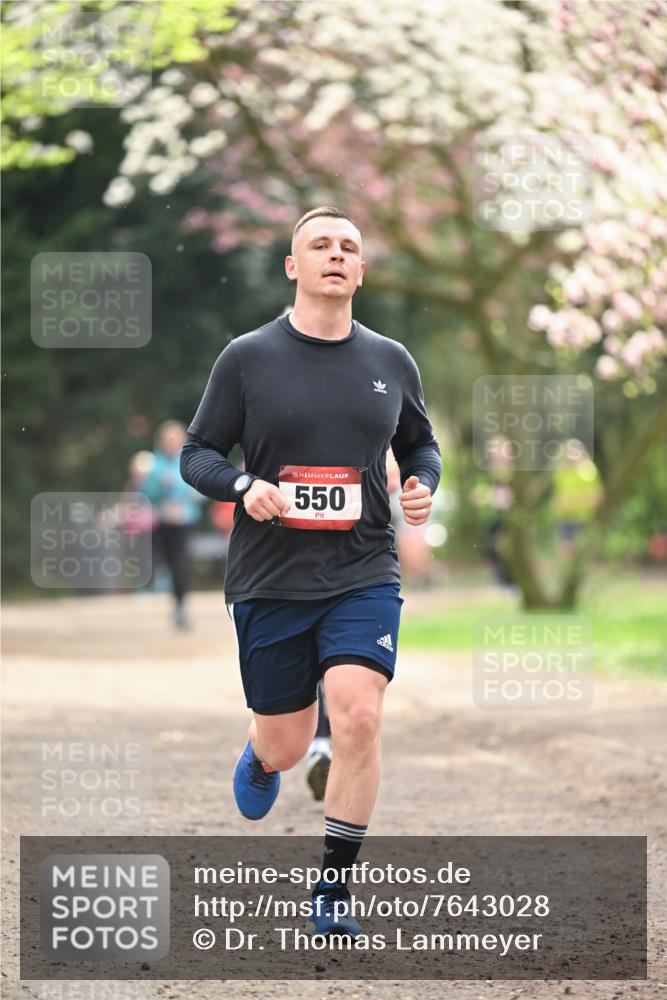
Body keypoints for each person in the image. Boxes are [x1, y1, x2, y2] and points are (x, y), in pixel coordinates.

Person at [180, 206, 441, 938]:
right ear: (293, 267)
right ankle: (264, 757)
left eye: (349, 247)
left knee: (358, 715)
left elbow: (421, 446)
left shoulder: (390, 361)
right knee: (289, 742)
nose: (336, 254)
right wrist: (241, 486)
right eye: (319, 245)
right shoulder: (246, 358)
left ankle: (332, 891)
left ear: (360, 271)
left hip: (362, 568)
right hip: (270, 578)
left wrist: (421, 484)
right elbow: (196, 453)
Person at [142, 420, 205, 629]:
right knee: (166, 563)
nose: (170, 443)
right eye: (167, 439)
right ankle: (170, 600)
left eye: (174, 439)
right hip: (162, 522)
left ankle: (181, 607)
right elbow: (146, 493)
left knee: (180, 564)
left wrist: (184, 498)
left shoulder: (188, 461)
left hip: (183, 522)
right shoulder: (154, 465)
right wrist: (161, 489)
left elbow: (201, 491)